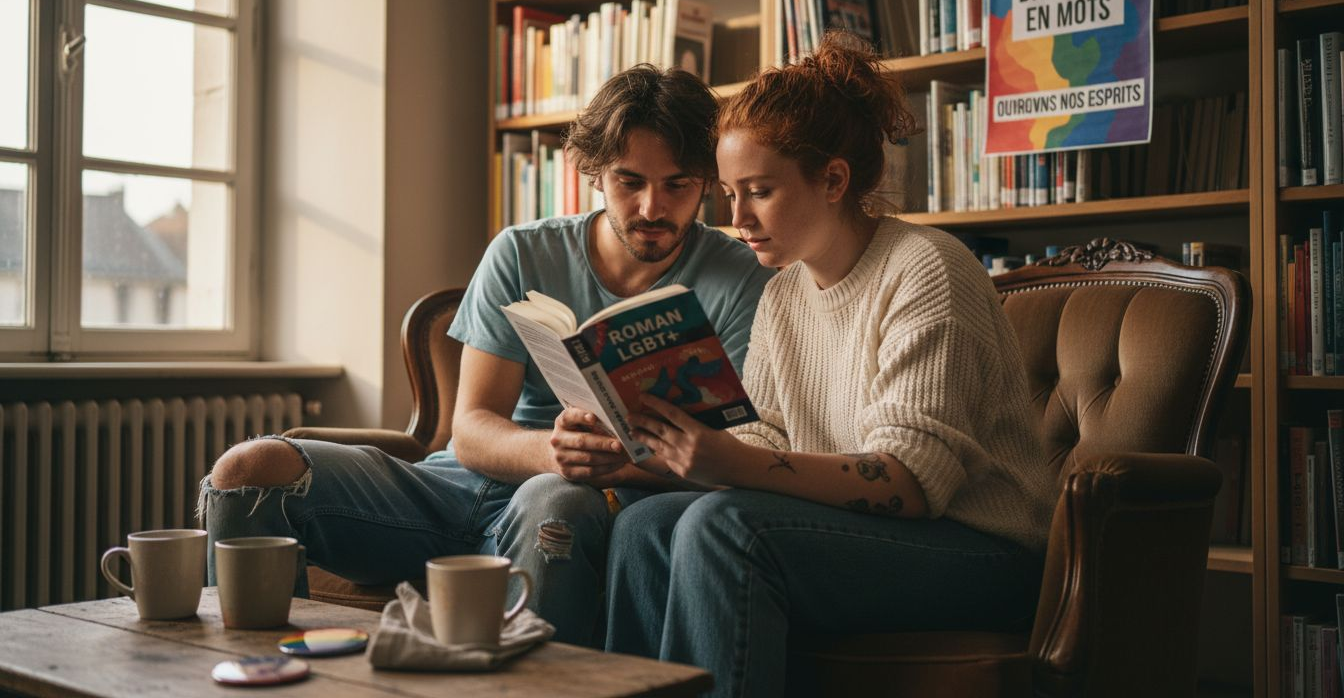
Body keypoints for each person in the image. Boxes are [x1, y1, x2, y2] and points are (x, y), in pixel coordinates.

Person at [197, 65, 775, 647]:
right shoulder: (522, 251)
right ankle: (255, 668)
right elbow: (471, 430)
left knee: (554, 500)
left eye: (678, 185)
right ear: (595, 173)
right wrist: (553, 452)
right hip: (454, 490)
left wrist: (602, 467)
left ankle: (529, 682)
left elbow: (733, 452)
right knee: (249, 469)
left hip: (577, 506)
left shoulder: (743, 279)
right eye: (631, 181)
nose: (652, 208)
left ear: (708, 181)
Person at [603, 34, 1058, 696]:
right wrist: (662, 447)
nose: (737, 218)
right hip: (863, 534)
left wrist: (730, 463)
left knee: (723, 527)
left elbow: (910, 482)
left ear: (834, 181)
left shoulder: (927, 267)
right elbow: (761, 435)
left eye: (759, 191)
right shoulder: (783, 293)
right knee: (643, 525)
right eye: (728, 193)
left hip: (982, 551)